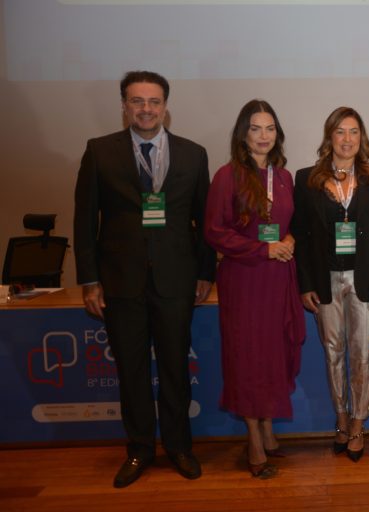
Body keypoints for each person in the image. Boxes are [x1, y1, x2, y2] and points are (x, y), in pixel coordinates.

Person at [74, 71, 216, 487]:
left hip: (176, 281)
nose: (146, 109)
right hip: (121, 283)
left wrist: (205, 272)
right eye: (137, 101)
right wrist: (89, 280)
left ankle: (179, 447)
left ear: (165, 107)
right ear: (124, 106)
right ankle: (139, 449)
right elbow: (85, 220)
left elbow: (205, 221)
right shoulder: (99, 151)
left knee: (175, 369)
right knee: (132, 372)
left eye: (154, 101)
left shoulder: (193, 154)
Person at [204, 100, 305, 479]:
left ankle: (267, 428)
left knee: (273, 355)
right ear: (242, 134)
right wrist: (264, 249)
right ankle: (254, 441)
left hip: (279, 278)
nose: (264, 136)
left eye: (270, 128)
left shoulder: (285, 177)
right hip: (245, 280)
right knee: (247, 358)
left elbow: (290, 223)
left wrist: (289, 239)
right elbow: (215, 231)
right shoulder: (227, 176)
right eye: (255, 128)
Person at [291, 106, 369, 462]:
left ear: (361, 138)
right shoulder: (307, 179)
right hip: (325, 281)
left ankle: (358, 424)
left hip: (365, 282)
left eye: (353, 132)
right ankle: (340, 417)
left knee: (362, 355)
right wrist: (305, 283)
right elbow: (302, 236)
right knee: (332, 352)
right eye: (340, 132)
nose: (347, 139)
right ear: (329, 137)